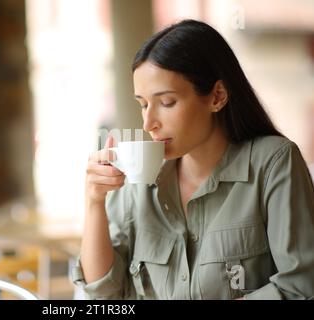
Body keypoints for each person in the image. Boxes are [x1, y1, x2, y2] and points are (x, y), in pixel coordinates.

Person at [72, 19, 314, 300]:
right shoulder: (137, 178)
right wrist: (94, 203)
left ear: (217, 96)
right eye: (143, 104)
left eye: (167, 103)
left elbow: (300, 286)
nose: (149, 122)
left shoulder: (273, 163)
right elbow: (103, 294)